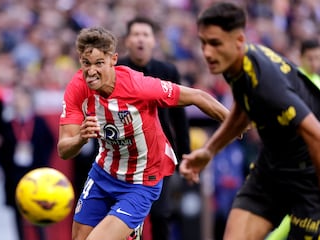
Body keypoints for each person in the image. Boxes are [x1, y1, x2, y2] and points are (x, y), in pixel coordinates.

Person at [57, 26, 229, 240]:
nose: (91, 71)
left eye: (99, 63)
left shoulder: (138, 86)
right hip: (103, 174)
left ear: (113, 60)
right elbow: (64, 150)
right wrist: (81, 138)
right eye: (86, 63)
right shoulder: (77, 88)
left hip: (140, 181)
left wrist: (232, 121)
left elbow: (197, 96)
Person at [179, 2, 320, 240]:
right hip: (272, 167)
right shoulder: (233, 63)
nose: (207, 53)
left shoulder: (266, 81)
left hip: (309, 175)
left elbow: (316, 135)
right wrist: (209, 150)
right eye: (203, 43)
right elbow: (244, 107)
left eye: (215, 43)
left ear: (238, 40)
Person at [117, 16, 191, 240]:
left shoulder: (167, 70)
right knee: (126, 217)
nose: (140, 39)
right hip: (125, 156)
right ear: (127, 41)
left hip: (159, 155)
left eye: (145, 34)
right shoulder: (117, 71)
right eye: (136, 34)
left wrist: (185, 155)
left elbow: (179, 117)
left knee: (160, 214)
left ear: (153, 41)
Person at [0, 84, 55, 240]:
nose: (17, 100)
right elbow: (2, 150)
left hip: (36, 175)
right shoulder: (9, 124)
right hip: (15, 175)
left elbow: (49, 143)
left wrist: (42, 165)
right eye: (15, 97)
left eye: (20, 96)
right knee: (17, 214)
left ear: (29, 99)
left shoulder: (39, 122)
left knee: (38, 212)